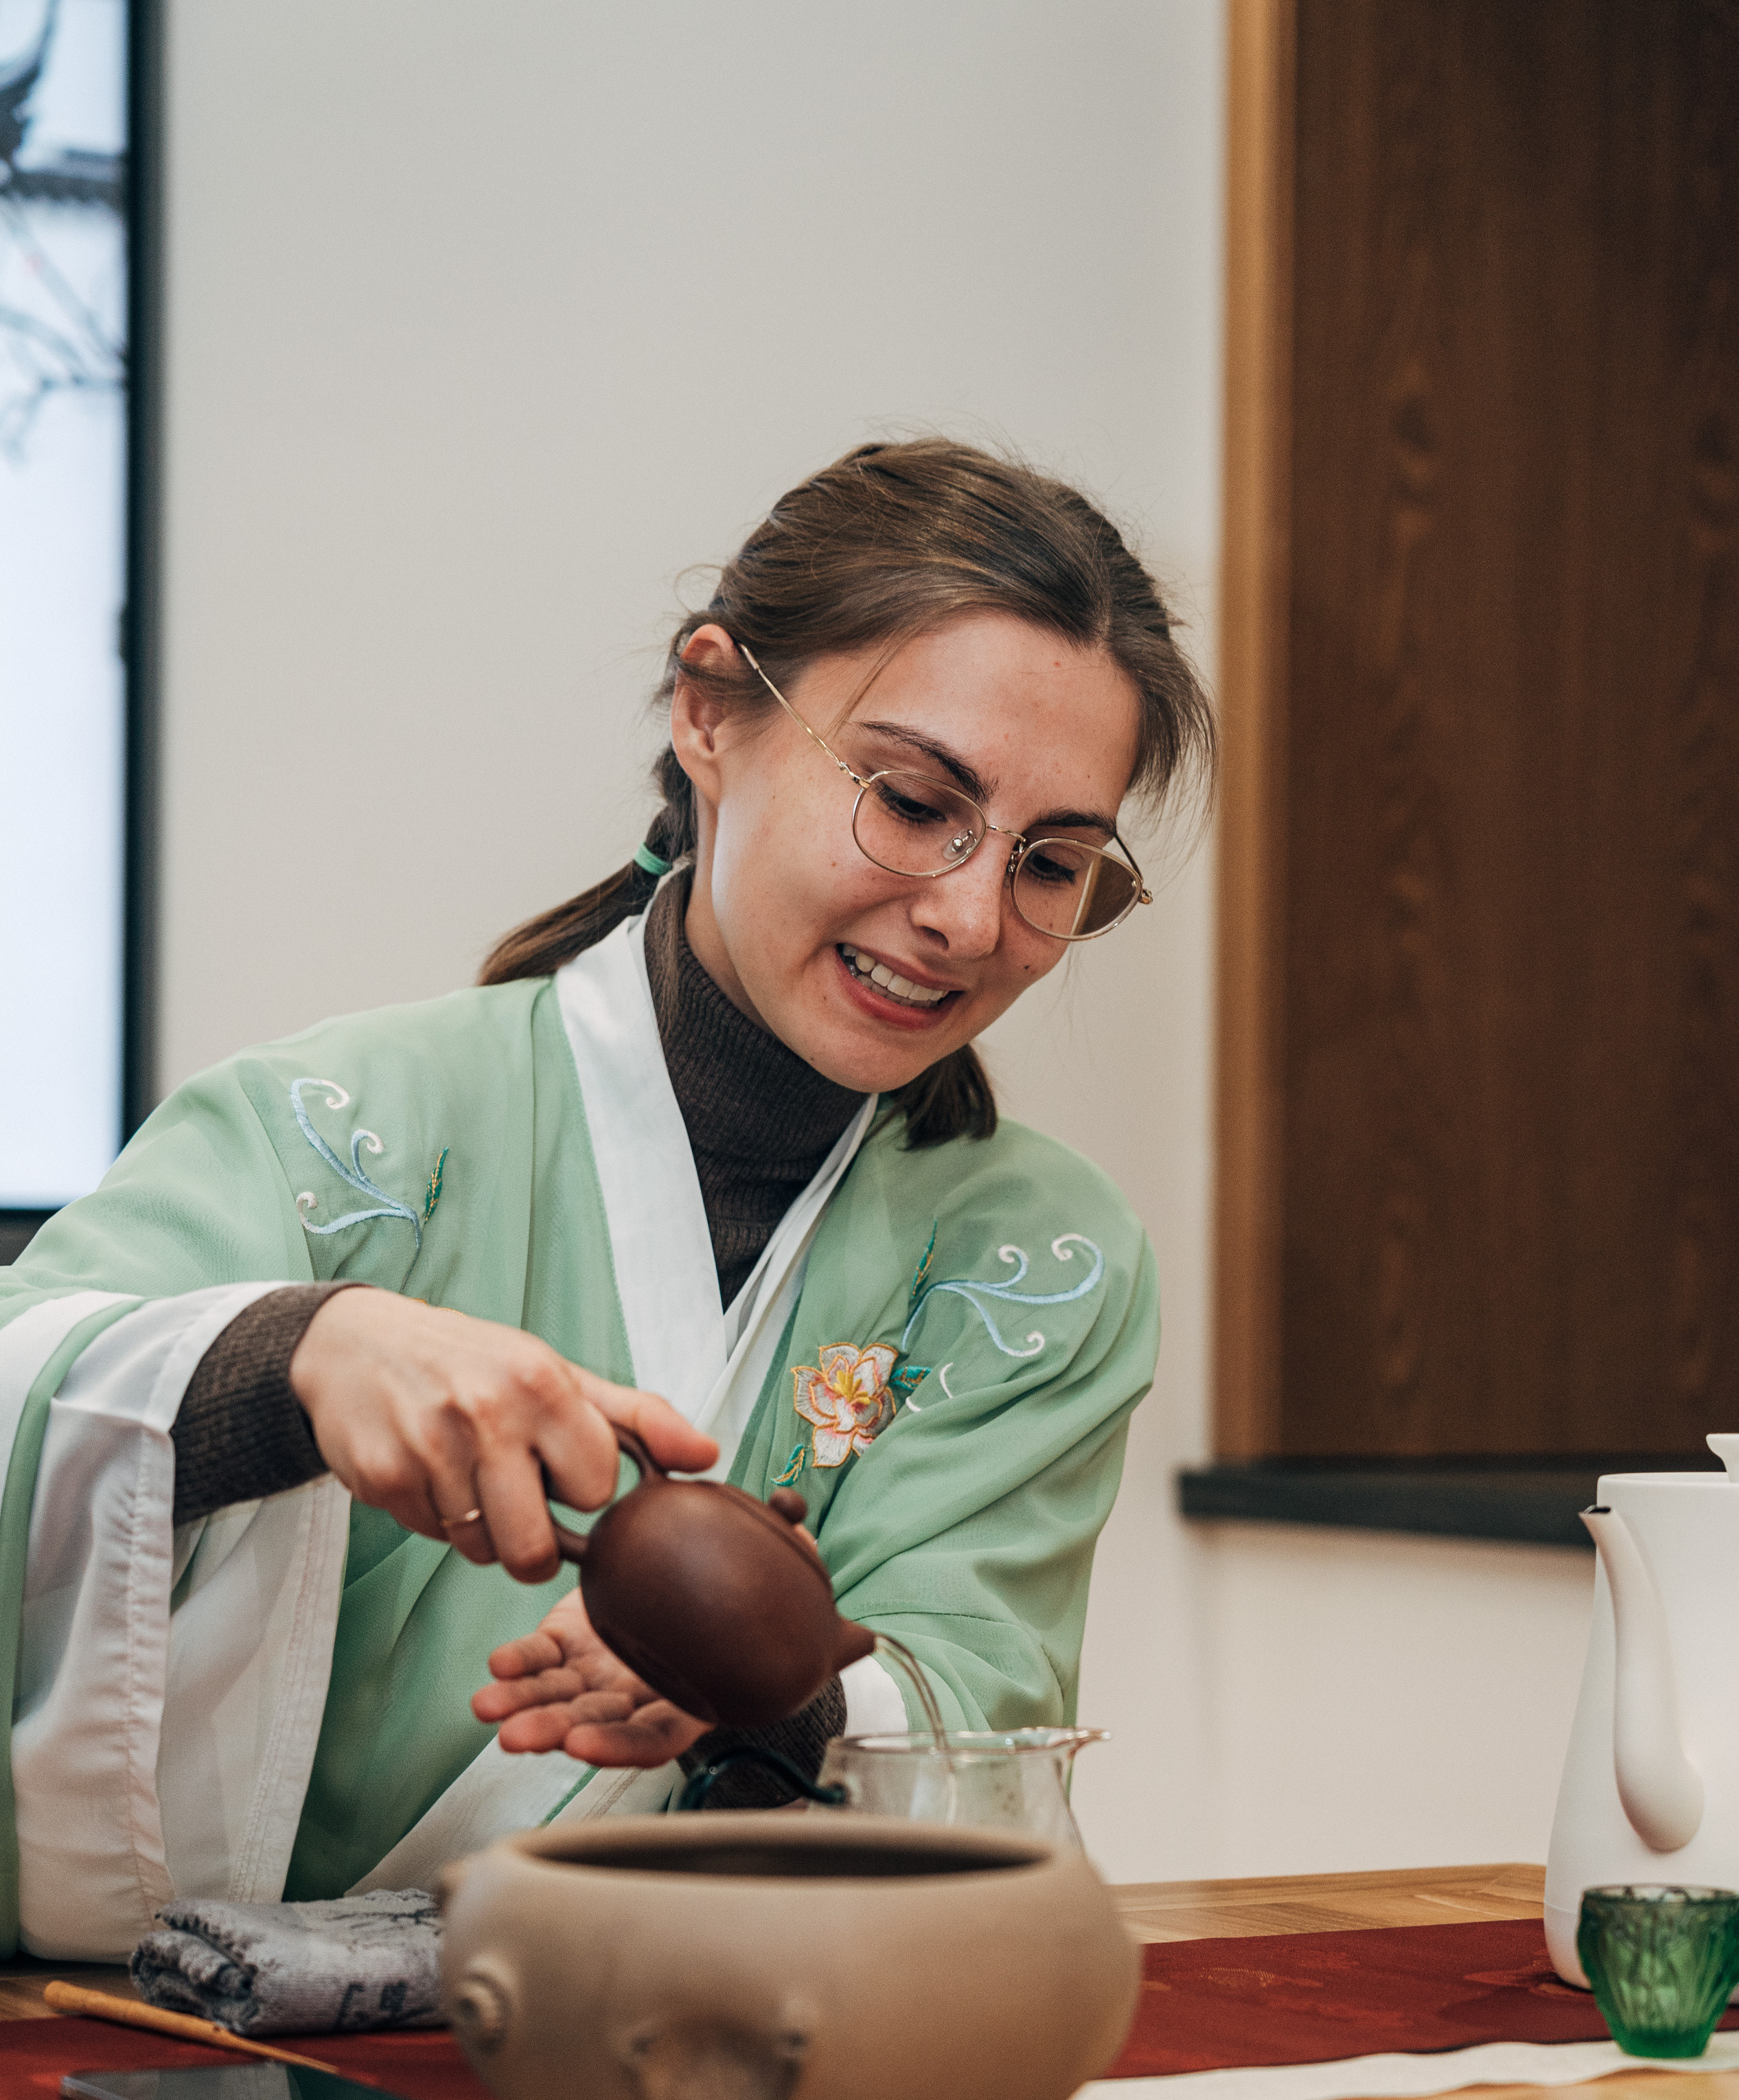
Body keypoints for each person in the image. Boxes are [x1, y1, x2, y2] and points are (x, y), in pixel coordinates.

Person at [0, 439, 1214, 1961]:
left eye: (1050, 863)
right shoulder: (344, 1128)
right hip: (183, 2029)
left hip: (701, 2019)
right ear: (709, 709)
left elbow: (985, 1696)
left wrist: (777, 1686)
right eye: (913, 802)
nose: (970, 919)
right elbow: (28, 1378)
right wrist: (293, 1356)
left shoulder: (1043, 1261)